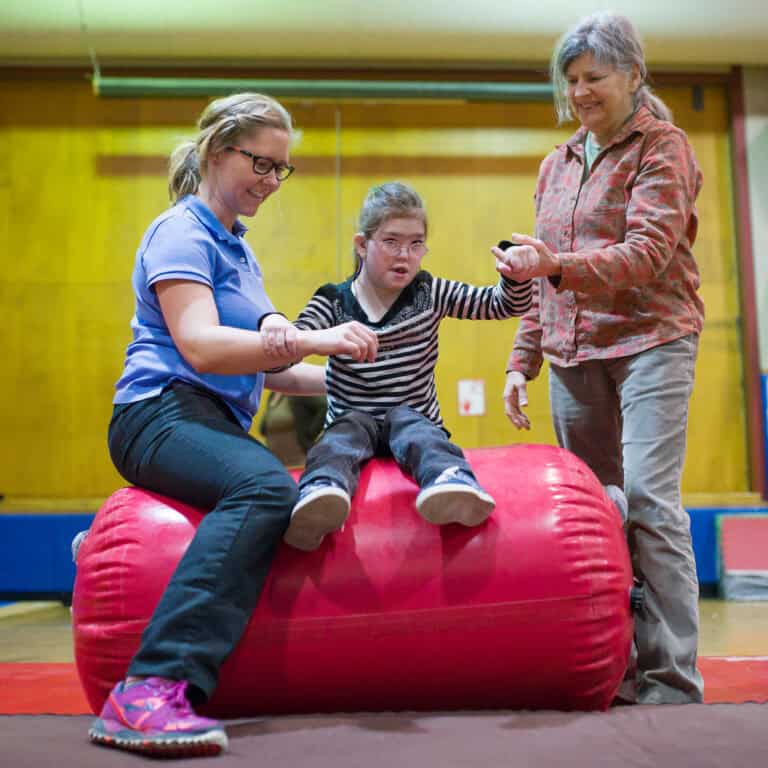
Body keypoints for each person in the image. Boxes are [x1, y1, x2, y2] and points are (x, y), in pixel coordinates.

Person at [88, 92, 378, 757]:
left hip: (212, 415)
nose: (272, 182)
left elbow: (264, 368)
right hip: (157, 411)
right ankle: (148, 688)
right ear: (219, 152)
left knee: (269, 481)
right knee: (266, 488)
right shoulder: (180, 231)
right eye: (261, 164)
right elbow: (202, 347)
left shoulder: (239, 252)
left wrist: (359, 383)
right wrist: (319, 342)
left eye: (283, 170)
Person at [495, 12, 705, 705]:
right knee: (594, 511)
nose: (581, 91)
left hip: (651, 342)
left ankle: (671, 679)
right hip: (572, 355)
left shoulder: (662, 147)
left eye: (595, 78)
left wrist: (558, 266)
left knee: (647, 500)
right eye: (573, 80)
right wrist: (520, 361)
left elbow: (648, 255)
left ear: (633, 75)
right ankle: (608, 669)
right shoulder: (556, 163)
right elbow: (539, 273)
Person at [276, 182, 533, 552]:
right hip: (352, 416)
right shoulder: (332, 301)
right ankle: (321, 492)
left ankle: (450, 480)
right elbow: (290, 349)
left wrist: (515, 277)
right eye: (391, 242)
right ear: (362, 245)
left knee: (417, 429)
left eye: (416, 244)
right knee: (338, 438)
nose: (405, 256)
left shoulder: (430, 292)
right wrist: (296, 335)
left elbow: (498, 305)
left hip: (412, 416)